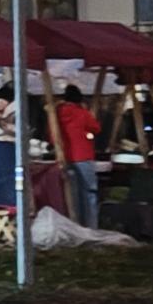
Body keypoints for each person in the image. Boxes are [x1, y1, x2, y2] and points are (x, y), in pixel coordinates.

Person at [56, 84, 102, 229]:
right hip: (83, 155)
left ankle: (75, 225)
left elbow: (51, 135)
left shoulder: (56, 114)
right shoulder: (81, 113)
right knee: (89, 192)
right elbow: (96, 128)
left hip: (65, 156)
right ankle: (91, 226)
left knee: (72, 194)